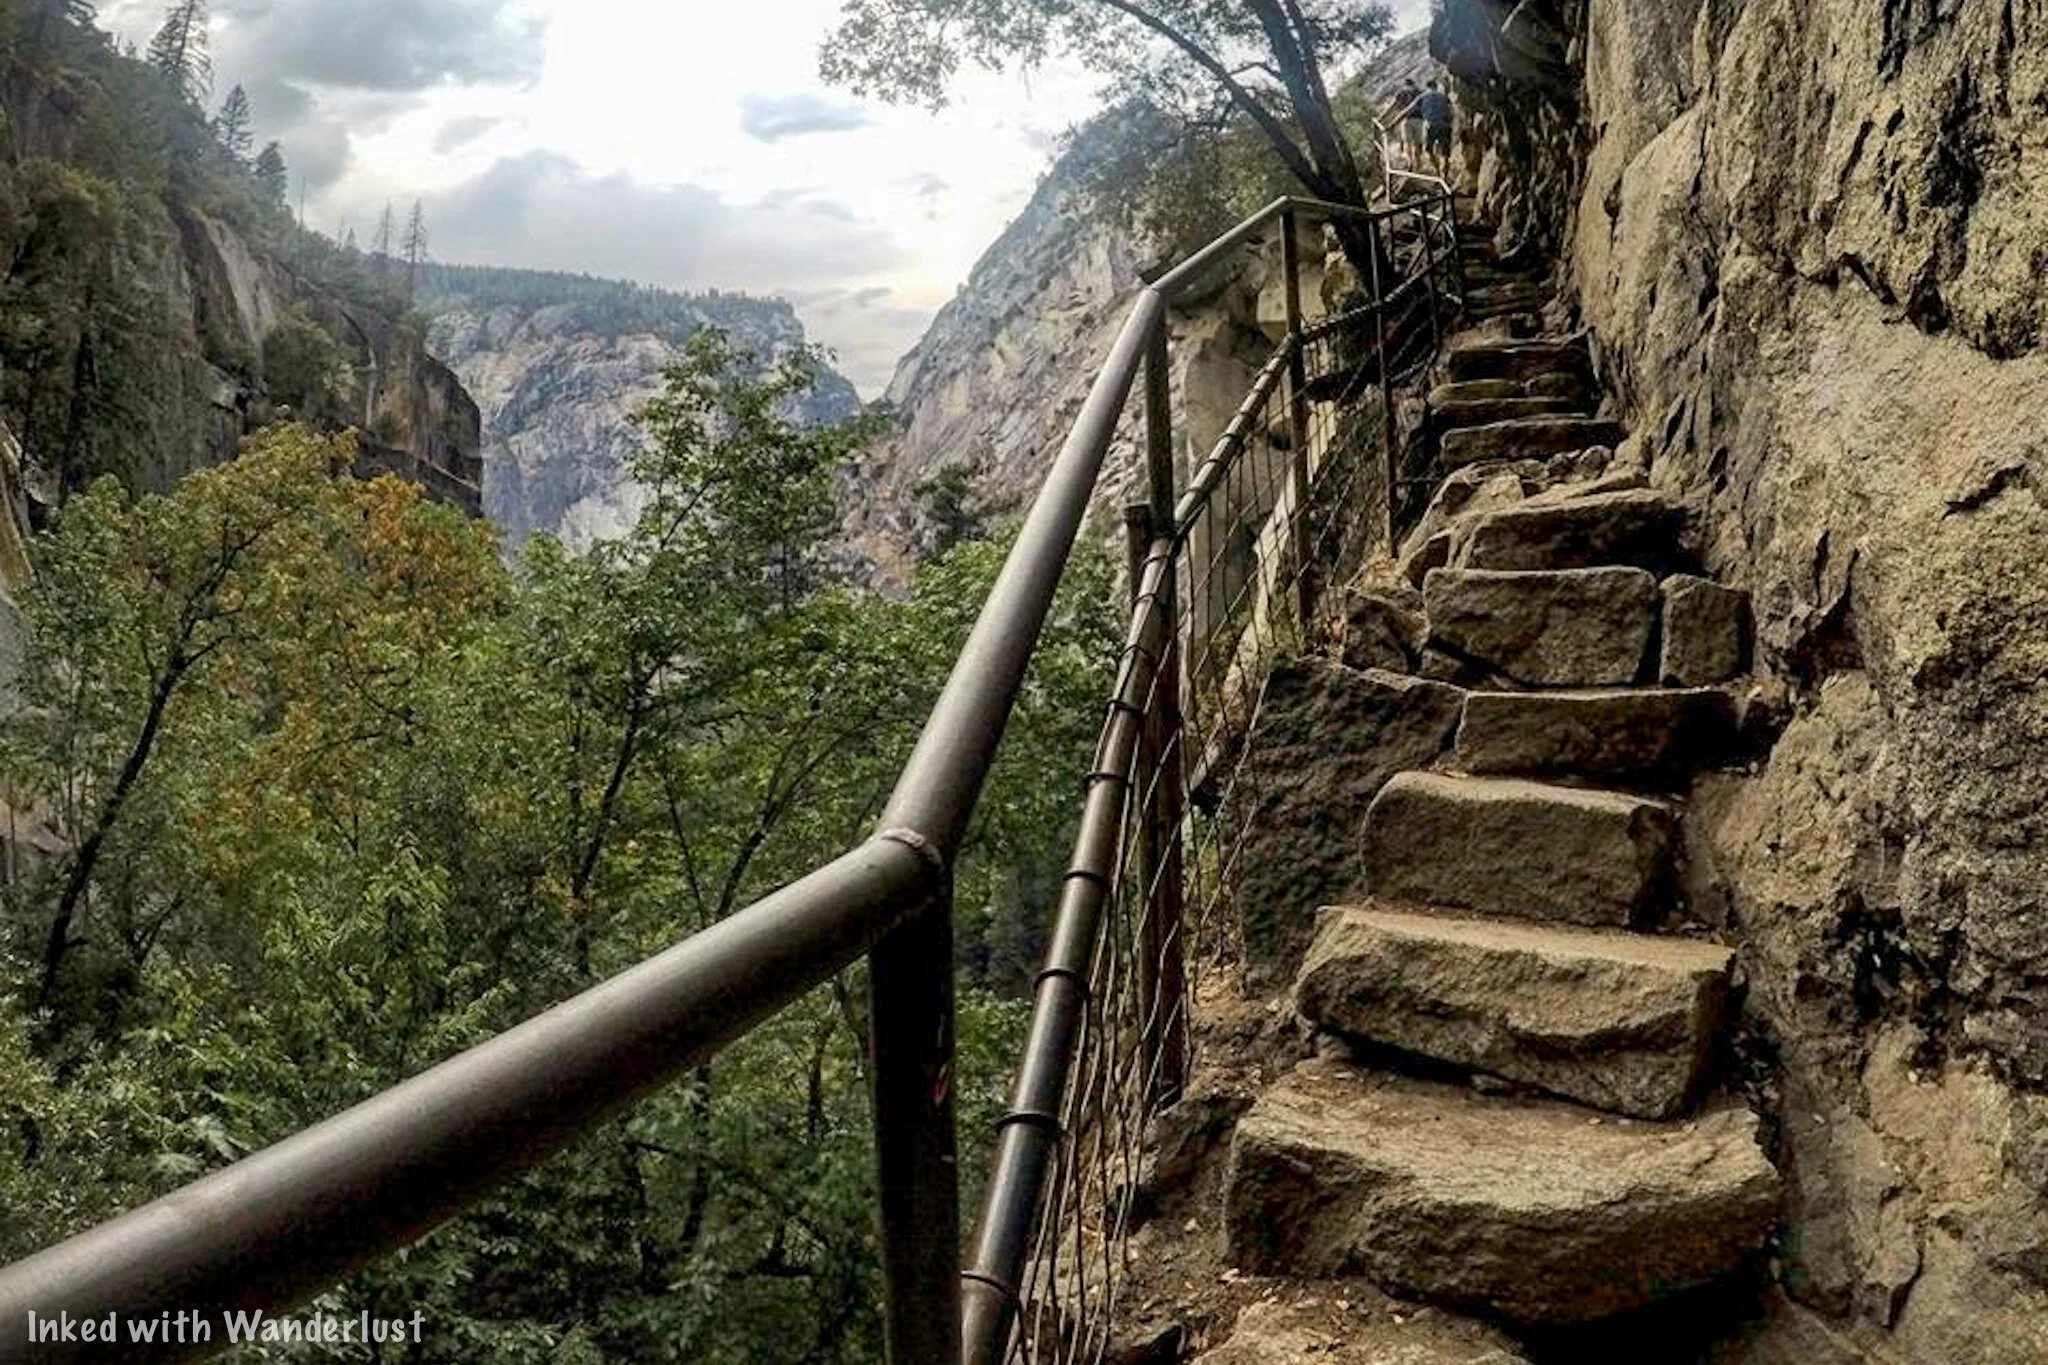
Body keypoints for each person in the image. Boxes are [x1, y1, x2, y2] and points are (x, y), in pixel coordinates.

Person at [1418, 79, 1455, 181]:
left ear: (1427, 87)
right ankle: (1445, 176)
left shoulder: (1422, 97)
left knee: (1428, 150)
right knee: (1445, 153)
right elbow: (1451, 110)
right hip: (1445, 126)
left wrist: (1393, 123)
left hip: (1430, 126)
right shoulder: (1443, 97)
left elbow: (1409, 109)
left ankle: (1437, 171)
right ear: (1436, 86)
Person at [1390, 80, 1426, 169]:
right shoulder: (1420, 92)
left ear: (1405, 84)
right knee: (1418, 143)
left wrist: (1384, 118)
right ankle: (1418, 163)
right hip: (1419, 120)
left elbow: (1393, 105)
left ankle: (1410, 162)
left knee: (1407, 143)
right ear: (1414, 84)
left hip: (1405, 119)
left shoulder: (1400, 93)